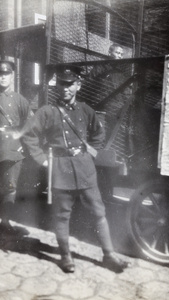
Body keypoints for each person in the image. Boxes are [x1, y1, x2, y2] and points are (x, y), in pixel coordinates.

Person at [22, 64, 129, 273]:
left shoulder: (86, 110)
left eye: (70, 84)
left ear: (78, 86)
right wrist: (42, 159)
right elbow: (29, 135)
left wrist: (89, 153)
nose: (66, 89)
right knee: (62, 215)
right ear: (57, 86)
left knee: (99, 212)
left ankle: (109, 255)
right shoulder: (47, 112)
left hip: (84, 168)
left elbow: (98, 133)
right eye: (62, 84)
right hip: (60, 169)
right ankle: (65, 257)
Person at [0, 59, 32, 234]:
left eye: (6, 74)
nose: (2, 77)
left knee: (9, 187)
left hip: (12, 150)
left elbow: (29, 125)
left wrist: (23, 147)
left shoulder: (20, 100)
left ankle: (5, 222)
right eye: (0, 74)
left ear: (12, 76)